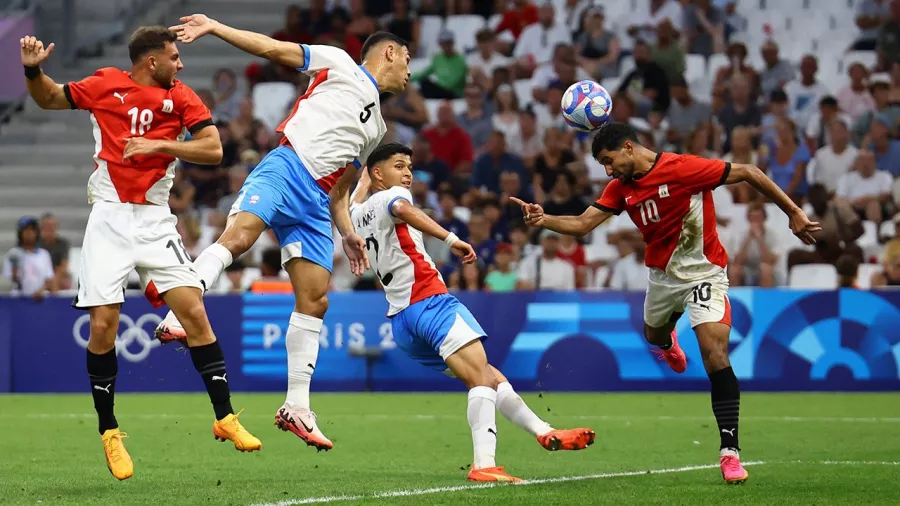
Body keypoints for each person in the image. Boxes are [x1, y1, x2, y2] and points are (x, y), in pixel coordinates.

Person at [510, 122, 820, 484]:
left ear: (628, 147)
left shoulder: (684, 168)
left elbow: (749, 172)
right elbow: (582, 225)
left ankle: (729, 453)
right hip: (662, 278)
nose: (608, 171)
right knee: (653, 334)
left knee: (714, 352)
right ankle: (666, 342)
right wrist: (543, 218)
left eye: (609, 161)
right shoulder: (621, 188)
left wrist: (793, 212)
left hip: (705, 273)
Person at [157, 15, 412, 451]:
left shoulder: (378, 129)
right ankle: (182, 308)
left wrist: (348, 232)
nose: (409, 69)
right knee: (238, 239)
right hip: (288, 167)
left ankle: (297, 406)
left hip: (316, 201)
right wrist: (218, 28)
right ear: (389, 52)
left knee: (315, 299)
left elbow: (342, 190)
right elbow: (271, 49)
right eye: (407, 58)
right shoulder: (340, 63)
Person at [20, 27, 261, 480]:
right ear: (152, 61)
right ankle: (109, 431)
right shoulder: (106, 83)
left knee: (195, 315)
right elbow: (49, 98)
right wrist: (33, 70)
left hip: (154, 218)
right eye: (174, 57)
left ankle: (225, 417)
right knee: (104, 325)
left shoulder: (183, 96)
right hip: (109, 217)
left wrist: (161, 145)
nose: (181, 64)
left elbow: (213, 149)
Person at [350, 143, 594, 482]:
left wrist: (363, 169)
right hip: (430, 302)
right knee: (481, 378)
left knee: (490, 376)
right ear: (379, 173)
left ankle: (544, 431)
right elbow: (404, 209)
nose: (407, 173)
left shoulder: (356, 211)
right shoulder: (388, 198)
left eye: (409, 166)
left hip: (402, 321)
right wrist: (452, 239)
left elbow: (358, 190)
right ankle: (484, 465)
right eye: (398, 165)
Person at [2, 217, 57, 299]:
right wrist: (15, 269)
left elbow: (49, 278)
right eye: (25, 230)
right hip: (18, 300)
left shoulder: (43, 254)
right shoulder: (13, 254)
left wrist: (41, 290)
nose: (29, 233)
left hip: (39, 299)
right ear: (20, 233)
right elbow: (8, 280)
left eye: (32, 230)